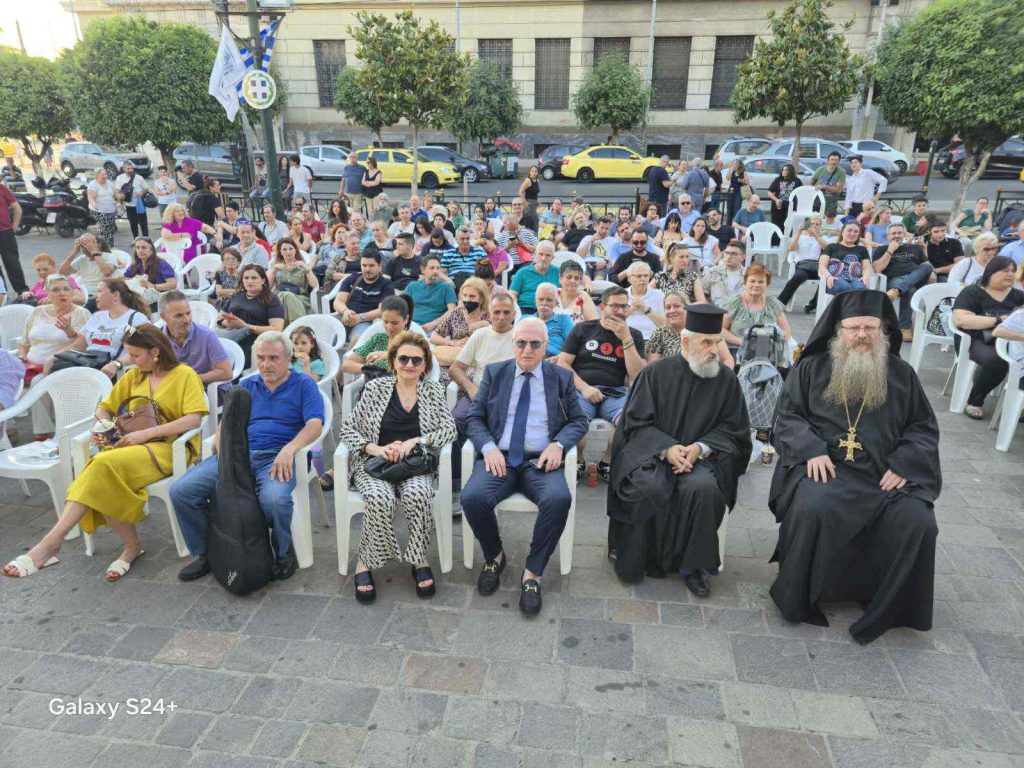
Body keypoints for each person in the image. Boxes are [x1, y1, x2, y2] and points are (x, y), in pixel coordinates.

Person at [768, 290, 941, 644]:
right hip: (827, 470)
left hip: (885, 475)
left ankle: (888, 602)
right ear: (838, 331)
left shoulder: (902, 374)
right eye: (853, 328)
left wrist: (907, 462)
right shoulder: (811, 369)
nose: (861, 335)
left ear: (884, 331)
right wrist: (810, 449)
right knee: (815, 507)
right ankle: (802, 594)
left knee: (918, 522)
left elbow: (923, 427)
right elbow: (785, 417)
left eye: (870, 328)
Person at [3, 325, 207, 581]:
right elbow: (104, 408)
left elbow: (193, 420)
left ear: (155, 351)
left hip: (170, 448)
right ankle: (126, 548)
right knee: (103, 472)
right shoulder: (136, 376)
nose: (130, 361)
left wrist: (143, 435)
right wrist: (105, 426)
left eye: (135, 356)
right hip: (131, 447)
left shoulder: (184, 374)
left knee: (99, 466)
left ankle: (52, 544)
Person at [607, 304, 750, 595]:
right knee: (646, 487)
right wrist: (667, 448)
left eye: (717, 342)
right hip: (654, 455)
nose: (714, 350)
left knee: (704, 490)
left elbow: (734, 429)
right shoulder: (655, 374)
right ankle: (637, 559)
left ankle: (694, 567)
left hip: (703, 460)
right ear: (686, 341)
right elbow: (635, 423)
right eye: (706, 342)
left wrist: (699, 448)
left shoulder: (725, 380)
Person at [171, 331, 325, 583]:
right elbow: (225, 425)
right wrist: (224, 453)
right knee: (182, 491)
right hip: (239, 455)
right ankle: (207, 553)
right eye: (261, 357)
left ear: (288, 359)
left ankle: (283, 553)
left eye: (273, 358)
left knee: (274, 499)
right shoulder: (247, 385)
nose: (266, 364)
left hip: (277, 457)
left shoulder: (303, 384)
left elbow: (315, 425)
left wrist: (289, 449)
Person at [462, 318, 588, 615]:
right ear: (513, 344)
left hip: (540, 460)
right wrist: (489, 448)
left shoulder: (561, 378)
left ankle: (532, 573)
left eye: (535, 344)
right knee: (472, 498)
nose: (527, 350)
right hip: (500, 458)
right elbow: (474, 418)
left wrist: (558, 444)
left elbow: (579, 420)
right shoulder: (496, 373)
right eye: (521, 343)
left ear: (546, 346)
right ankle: (494, 555)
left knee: (559, 499)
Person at [339, 332, 455, 602]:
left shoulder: (433, 391)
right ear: (393, 362)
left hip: (414, 464)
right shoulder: (375, 389)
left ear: (425, 365)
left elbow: (449, 430)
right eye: (403, 358)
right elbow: (348, 429)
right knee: (380, 498)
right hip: (375, 463)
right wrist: (375, 448)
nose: (410, 365)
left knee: (418, 495)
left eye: (417, 360)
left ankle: (419, 560)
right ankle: (364, 563)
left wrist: (415, 441)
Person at [558, 286, 646, 481]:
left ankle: (607, 461)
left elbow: (637, 375)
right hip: (581, 391)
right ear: (602, 307)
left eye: (624, 306)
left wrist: (626, 339)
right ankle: (579, 460)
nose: (620, 311)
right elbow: (563, 363)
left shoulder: (634, 335)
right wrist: (585, 388)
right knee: (576, 424)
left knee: (628, 423)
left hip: (615, 392)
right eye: (615, 306)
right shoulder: (583, 329)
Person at [449, 293, 518, 490]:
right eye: (497, 312)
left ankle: (492, 474)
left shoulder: (520, 337)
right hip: (478, 393)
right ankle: (456, 483)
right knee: (455, 420)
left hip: (509, 397)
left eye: (506, 312)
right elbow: (455, 368)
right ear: (489, 314)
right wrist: (471, 388)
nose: (502, 317)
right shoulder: (481, 335)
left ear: (513, 314)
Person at [952, 257, 1024, 420]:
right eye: (1005, 271)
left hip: (1011, 342)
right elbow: (962, 320)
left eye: (1013, 271)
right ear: (990, 272)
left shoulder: (1019, 296)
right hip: (975, 340)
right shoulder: (973, 292)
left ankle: (1019, 405)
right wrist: (999, 320)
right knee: (997, 360)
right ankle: (975, 401)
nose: (1010, 274)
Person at [62, 278, 149, 379]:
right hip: (89, 365)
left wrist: (117, 364)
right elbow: (78, 346)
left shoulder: (134, 319)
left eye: (99, 291)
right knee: (56, 367)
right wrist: (53, 357)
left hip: (116, 371)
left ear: (116, 295)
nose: (95, 296)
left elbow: (141, 350)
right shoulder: (97, 317)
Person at [17, 275, 91, 381]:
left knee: (36, 382)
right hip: (30, 367)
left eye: (66, 289)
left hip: (57, 369)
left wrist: (69, 331)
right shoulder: (37, 311)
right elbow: (24, 342)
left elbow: (83, 347)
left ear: (72, 292)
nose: (62, 293)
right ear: (48, 294)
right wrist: (22, 356)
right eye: (55, 290)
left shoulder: (81, 314)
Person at [872, 222, 934, 341]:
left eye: (899, 233)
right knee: (909, 289)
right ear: (888, 236)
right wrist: (890, 251)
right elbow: (878, 268)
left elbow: (927, 267)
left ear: (904, 234)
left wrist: (924, 248)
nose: (896, 235)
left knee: (927, 267)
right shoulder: (881, 249)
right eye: (893, 233)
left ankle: (897, 290)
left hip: (917, 278)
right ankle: (905, 327)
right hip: (895, 278)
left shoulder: (915, 248)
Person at [215, 264, 286, 365]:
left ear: (263, 280)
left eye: (254, 278)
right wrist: (225, 322)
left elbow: (276, 329)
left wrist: (246, 326)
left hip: (256, 340)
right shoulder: (237, 295)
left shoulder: (271, 299)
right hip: (231, 334)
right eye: (246, 278)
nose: (249, 281)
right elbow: (219, 318)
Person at [158, 291, 233, 385]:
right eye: (179, 315)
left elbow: (226, 372)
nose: (186, 320)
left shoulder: (206, 335)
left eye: (188, 313)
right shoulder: (158, 339)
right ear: (164, 317)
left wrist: (189, 379)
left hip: (207, 388)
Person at [645, 291, 734, 367]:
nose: (671, 311)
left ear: (687, 308)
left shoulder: (705, 329)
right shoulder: (660, 333)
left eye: (676, 306)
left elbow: (727, 359)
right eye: (668, 307)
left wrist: (721, 382)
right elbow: (652, 366)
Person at [341, 294, 413, 376]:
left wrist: (388, 355)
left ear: (406, 319)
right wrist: (371, 370)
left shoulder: (413, 341)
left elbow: (418, 358)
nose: (389, 327)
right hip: (374, 386)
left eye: (394, 323)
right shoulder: (379, 338)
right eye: (385, 322)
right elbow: (346, 365)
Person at [721, 264, 792, 348]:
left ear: (767, 284)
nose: (756, 285)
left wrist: (776, 344)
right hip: (737, 349)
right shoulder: (734, 302)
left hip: (767, 351)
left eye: (761, 282)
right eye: (752, 281)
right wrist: (742, 342)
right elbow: (721, 329)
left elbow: (786, 331)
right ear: (745, 283)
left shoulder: (773, 304)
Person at [333, 250, 396, 341]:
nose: (367, 269)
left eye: (371, 265)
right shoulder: (352, 278)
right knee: (327, 335)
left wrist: (360, 317)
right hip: (346, 317)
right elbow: (338, 301)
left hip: (367, 321)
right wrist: (345, 311)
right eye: (364, 265)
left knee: (358, 340)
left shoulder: (386, 285)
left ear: (379, 266)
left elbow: (382, 310)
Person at [430, 278, 491, 365]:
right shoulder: (457, 313)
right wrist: (452, 343)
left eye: (472, 296)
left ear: (481, 299)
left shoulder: (491, 315)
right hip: (454, 360)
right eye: (465, 295)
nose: (467, 299)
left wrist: (485, 325)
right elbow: (434, 337)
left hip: (478, 362)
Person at [777, 216, 827, 313]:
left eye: (817, 224)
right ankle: (780, 303)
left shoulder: (822, 238)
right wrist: (798, 232)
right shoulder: (800, 237)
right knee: (798, 276)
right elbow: (791, 249)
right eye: (812, 224)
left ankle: (812, 304)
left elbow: (827, 248)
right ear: (807, 225)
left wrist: (816, 236)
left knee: (826, 279)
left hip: (817, 265)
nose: (814, 226)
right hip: (803, 265)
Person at [268, 238, 319, 325]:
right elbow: (267, 287)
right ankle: (297, 327)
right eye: (284, 249)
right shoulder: (275, 266)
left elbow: (315, 285)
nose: (288, 252)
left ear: (295, 250)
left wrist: (306, 268)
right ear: (280, 252)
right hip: (278, 297)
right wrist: (273, 271)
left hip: (300, 298)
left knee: (288, 296)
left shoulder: (303, 265)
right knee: (286, 295)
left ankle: (286, 327)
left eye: (291, 249)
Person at [404, 254, 457, 331]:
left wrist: (433, 324)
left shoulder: (446, 287)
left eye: (438, 268)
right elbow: (401, 306)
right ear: (422, 270)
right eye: (432, 268)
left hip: (436, 329)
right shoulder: (412, 286)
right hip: (412, 326)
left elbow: (452, 310)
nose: (435, 271)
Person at [123, 236, 177, 309]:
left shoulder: (161, 264)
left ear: (151, 250)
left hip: (159, 299)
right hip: (141, 298)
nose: (140, 251)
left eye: (144, 247)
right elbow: (126, 277)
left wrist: (153, 286)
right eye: (137, 247)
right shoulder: (137, 264)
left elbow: (173, 284)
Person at [820, 222, 873, 295]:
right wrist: (828, 276)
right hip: (835, 279)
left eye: (856, 231)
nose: (852, 233)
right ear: (842, 232)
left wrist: (866, 276)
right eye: (849, 230)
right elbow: (822, 265)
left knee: (861, 290)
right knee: (845, 288)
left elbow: (866, 268)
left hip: (855, 280)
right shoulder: (831, 247)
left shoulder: (862, 249)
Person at [509, 240, 560, 314]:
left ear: (553, 257)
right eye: (540, 254)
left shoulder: (558, 272)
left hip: (552, 310)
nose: (543, 258)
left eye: (547, 255)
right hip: (526, 309)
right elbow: (512, 293)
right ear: (535, 254)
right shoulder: (522, 272)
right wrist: (516, 311)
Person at [0, 175, 28, 295]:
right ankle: (2, 294)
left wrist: (14, 227)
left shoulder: (2, 189)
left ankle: (23, 292)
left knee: (12, 263)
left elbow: (17, 208)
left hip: (5, 233)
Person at [624, 261, 665, 340]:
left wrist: (645, 308)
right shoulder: (622, 294)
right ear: (629, 278)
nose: (643, 279)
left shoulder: (659, 295)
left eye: (646, 276)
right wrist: (631, 309)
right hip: (627, 338)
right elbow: (616, 321)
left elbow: (663, 324)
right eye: (639, 276)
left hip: (652, 339)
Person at [532, 283, 574, 357]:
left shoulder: (564, 320)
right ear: (535, 302)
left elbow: (572, 346)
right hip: (530, 355)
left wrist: (559, 358)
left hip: (553, 358)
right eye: (541, 299)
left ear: (556, 303)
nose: (544, 303)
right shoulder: (526, 320)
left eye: (549, 300)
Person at [702, 241, 747, 307]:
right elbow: (702, 293)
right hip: (716, 313)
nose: (728, 256)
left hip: (740, 314)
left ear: (743, 257)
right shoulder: (713, 272)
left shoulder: (748, 275)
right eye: (726, 253)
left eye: (734, 254)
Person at [114, 160, 150, 239]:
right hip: (129, 205)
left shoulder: (139, 178)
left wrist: (142, 193)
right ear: (124, 169)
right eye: (128, 168)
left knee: (143, 223)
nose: (130, 170)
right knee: (133, 223)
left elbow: (147, 189)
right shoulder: (120, 178)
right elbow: (117, 190)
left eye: (131, 168)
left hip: (139, 204)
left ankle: (146, 239)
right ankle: (136, 239)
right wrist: (119, 199)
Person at [87, 167, 119, 246]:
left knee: (111, 228)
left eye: (106, 174)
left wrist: (119, 200)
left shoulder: (109, 183)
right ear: (97, 175)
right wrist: (94, 204)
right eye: (103, 174)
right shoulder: (93, 184)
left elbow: (116, 194)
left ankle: (108, 246)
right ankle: (106, 246)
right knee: (106, 227)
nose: (105, 176)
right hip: (98, 211)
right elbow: (90, 198)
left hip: (111, 210)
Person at [767, 163, 802, 230]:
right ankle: (777, 239)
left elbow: (800, 193)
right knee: (777, 225)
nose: (783, 171)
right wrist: (776, 200)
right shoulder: (778, 180)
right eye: (783, 170)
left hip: (790, 206)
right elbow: (769, 192)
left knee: (789, 225)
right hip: (778, 206)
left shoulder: (797, 181)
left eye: (786, 170)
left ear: (790, 171)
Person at [811, 151, 846, 217]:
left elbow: (838, 189)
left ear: (839, 161)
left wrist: (824, 186)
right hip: (818, 199)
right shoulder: (820, 170)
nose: (834, 162)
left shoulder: (841, 172)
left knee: (829, 219)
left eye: (836, 160)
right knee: (815, 218)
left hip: (831, 200)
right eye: (832, 160)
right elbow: (812, 182)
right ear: (828, 160)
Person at [726, 159, 751, 225]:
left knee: (736, 210)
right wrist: (730, 168)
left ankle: (735, 225)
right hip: (731, 192)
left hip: (738, 192)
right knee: (729, 210)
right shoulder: (732, 171)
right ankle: (728, 226)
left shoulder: (743, 172)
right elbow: (727, 178)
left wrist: (740, 180)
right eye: (733, 163)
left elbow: (747, 182)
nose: (734, 164)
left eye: (735, 163)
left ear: (739, 165)